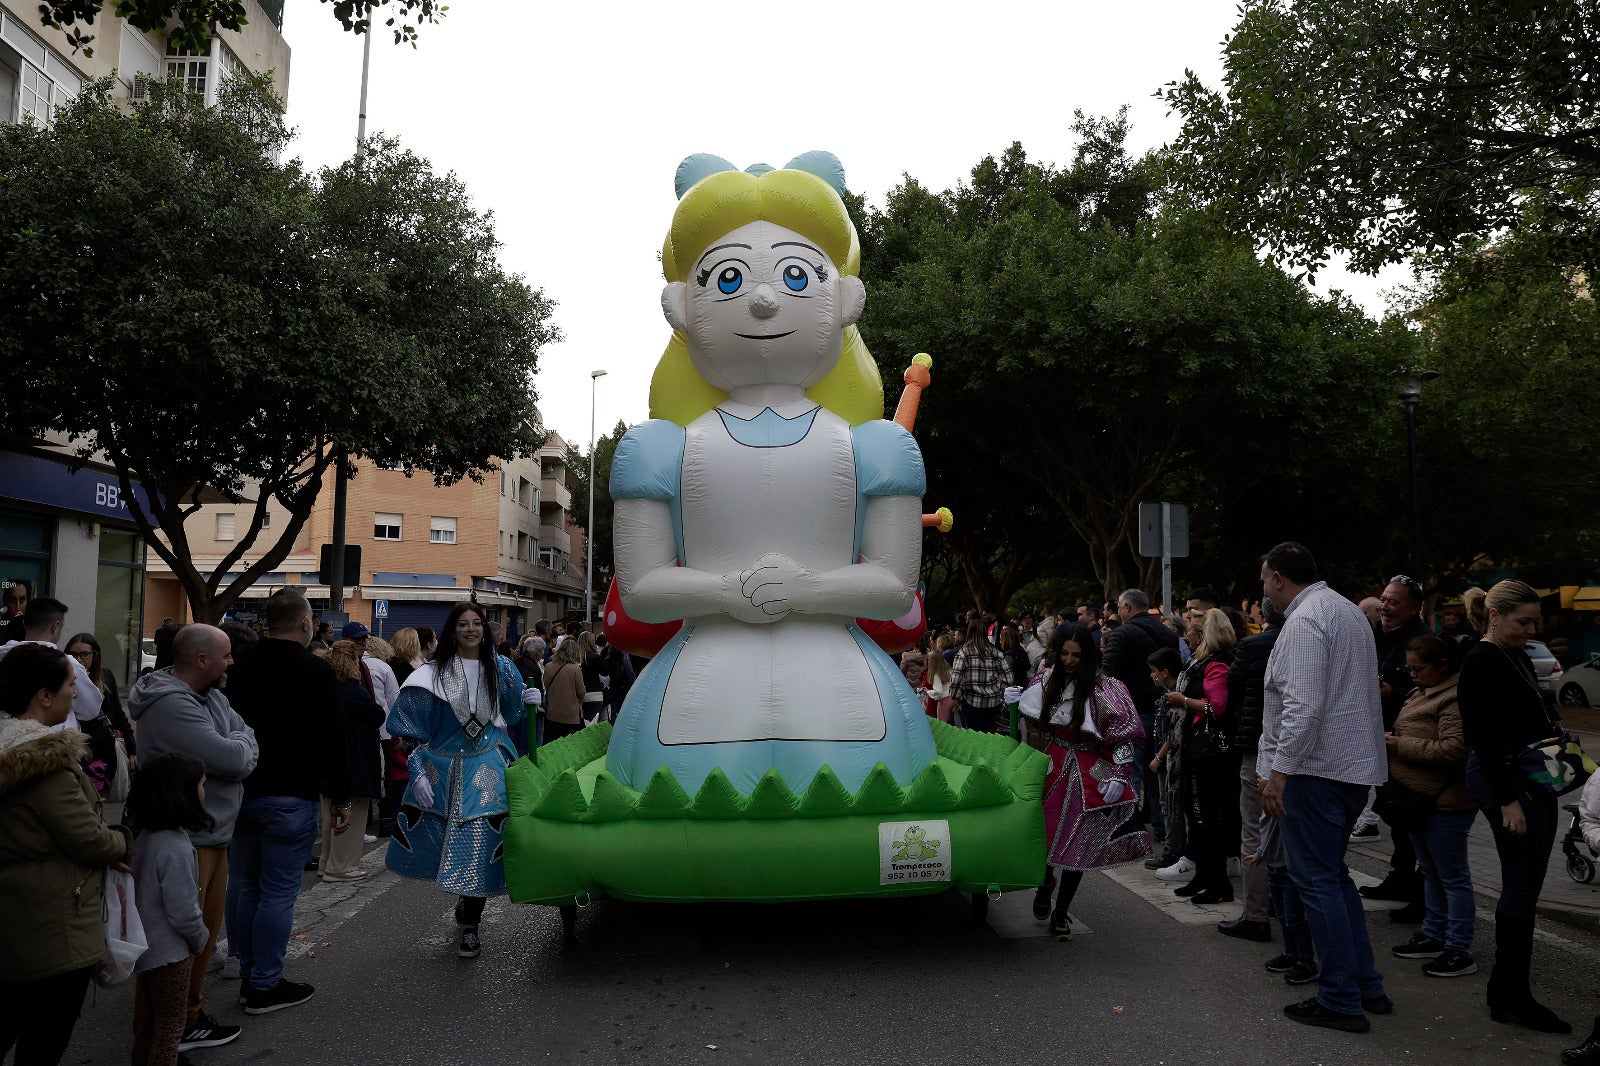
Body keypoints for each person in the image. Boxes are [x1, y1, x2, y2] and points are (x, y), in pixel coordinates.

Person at [1258, 541, 1390, 1033]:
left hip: (1319, 772)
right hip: (1344, 768)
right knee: (1332, 879)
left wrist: (1279, 772)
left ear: (1277, 579)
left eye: (1263, 579)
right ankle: (1363, 984)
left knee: (1317, 882)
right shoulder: (1342, 610)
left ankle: (1340, 997)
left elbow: (1304, 705)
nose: (1263, 589)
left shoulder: (1307, 618)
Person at [0, 643, 136, 1066]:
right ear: (44, 695)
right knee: (43, 1041)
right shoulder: (45, 761)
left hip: (16, 910)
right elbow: (88, 840)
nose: (75, 695)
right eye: (70, 686)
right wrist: (122, 840)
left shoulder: (8, 747)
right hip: (51, 922)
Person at [129, 624, 258, 1051]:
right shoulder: (170, 705)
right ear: (202, 660)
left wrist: (238, 746)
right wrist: (237, 747)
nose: (232, 661)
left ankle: (185, 1017)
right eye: (225, 655)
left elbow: (245, 740)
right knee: (179, 939)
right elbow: (233, 756)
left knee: (202, 933)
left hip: (215, 832)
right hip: (189, 834)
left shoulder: (213, 696)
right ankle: (169, 1030)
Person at [221, 589, 345, 1016]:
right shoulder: (315, 670)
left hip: (244, 789)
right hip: (293, 793)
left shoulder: (240, 664)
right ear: (306, 622)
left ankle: (249, 972)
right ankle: (264, 984)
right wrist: (340, 796)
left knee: (247, 885)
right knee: (276, 893)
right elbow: (332, 737)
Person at [1458, 581, 1571, 1033]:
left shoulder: (1512, 655)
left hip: (1529, 778)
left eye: (1534, 622)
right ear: (1495, 616)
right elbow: (1483, 739)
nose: (1530, 629)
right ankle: (1513, 996)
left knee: (1524, 883)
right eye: (1523, 621)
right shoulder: (1483, 659)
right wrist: (1508, 801)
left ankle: (1505, 992)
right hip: (1509, 782)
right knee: (1522, 886)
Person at [385, 601, 526, 959]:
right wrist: (416, 771)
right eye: (462, 624)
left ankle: (470, 926)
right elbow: (408, 731)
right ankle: (466, 903)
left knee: (481, 844)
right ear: (452, 630)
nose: (470, 629)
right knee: (443, 842)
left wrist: (525, 699)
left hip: (488, 769)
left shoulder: (503, 668)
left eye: (476, 623)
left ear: (485, 628)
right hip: (443, 770)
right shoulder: (428, 676)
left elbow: (511, 713)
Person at [1019, 624, 1150, 940]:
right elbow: (1035, 724)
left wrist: (1120, 773)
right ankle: (1045, 884)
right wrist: (1017, 705)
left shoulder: (1107, 688)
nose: (1069, 660)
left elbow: (1121, 736)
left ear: (1088, 655)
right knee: (1047, 837)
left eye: (1076, 655)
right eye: (1064, 653)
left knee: (1080, 845)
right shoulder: (1047, 679)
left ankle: (1062, 913)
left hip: (1091, 774)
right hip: (1052, 767)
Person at [1385, 634, 1477, 978]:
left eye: (1417, 668)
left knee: (1452, 876)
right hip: (1418, 799)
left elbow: (1455, 748)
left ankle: (1459, 949)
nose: (1411, 674)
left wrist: (1399, 744)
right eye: (1408, 668)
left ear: (1442, 665)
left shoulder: (1453, 698)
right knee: (1430, 871)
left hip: (1446, 800)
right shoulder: (1423, 690)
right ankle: (1434, 934)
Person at [1356, 575, 1433, 919]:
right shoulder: (1374, 635)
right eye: (1384, 600)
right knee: (1394, 813)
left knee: (1414, 817)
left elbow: (1436, 696)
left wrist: (1394, 693)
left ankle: (1422, 893)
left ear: (1414, 607)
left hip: (1412, 743)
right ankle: (1400, 877)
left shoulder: (1423, 641)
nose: (1385, 607)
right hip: (1381, 736)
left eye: (1393, 602)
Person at [128, 753, 212, 1066]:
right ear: (182, 794)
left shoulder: (148, 837)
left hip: (147, 948)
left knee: (151, 1023)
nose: (206, 792)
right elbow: (183, 912)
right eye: (202, 785)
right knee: (171, 1027)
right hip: (170, 953)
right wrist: (200, 938)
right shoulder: (176, 846)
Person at [1217, 596, 1283, 944]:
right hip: (1297, 750)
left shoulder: (1253, 647)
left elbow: (1232, 692)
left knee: (1254, 831)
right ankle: (1282, 906)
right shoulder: (1307, 642)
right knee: (1288, 833)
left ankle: (1256, 914)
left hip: (1257, 747)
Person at [1168, 607, 1238, 904]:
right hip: (1196, 748)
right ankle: (1204, 877)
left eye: (1192, 631)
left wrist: (1183, 700)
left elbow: (1217, 707)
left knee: (1205, 817)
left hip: (1207, 752)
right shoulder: (1205, 661)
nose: (1187, 636)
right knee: (1196, 815)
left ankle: (1218, 882)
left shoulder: (1216, 664)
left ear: (1204, 635)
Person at [1103, 589, 1181, 838]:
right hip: (1162, 709)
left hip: (1131, 712)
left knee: (1129, 770)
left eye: (1119, 607)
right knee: (1156, 770)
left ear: (1127, 607)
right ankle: (1160, 826)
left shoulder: (1121, 634)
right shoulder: (1169, 634)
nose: (1117, 611)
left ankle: (1128, 826)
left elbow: (1109, 674)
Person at [320, 641, 385, 882]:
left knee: (329, 812)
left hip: (331, 759)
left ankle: (327, 862)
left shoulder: (328, 688)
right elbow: (377, 714)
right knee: (353, 812)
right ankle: (342, 866)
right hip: (354, 759)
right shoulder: (354, 691)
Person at [0, 595, 103, 728]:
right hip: (51, 740)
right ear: (56, 626)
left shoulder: (4, 656)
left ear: (24, 624)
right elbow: (90, 709)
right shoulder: (66, 664)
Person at [1144, 646, 1189, 876]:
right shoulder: (1168, 695)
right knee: (1166, 802)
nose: (1151, 675)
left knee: (1170, 804)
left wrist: (1159, 756)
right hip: (1164, 758)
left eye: (1153, 671)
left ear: (1164, 672)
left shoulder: (1175, 696)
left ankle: (1173, 849)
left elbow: (1174, 732)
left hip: (1169, 760)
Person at [950, 621, 1008, 733]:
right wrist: (998, 692)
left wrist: (957, 698)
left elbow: (956, 680)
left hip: (971, 702)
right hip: (993, 702)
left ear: (969, 633)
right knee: (988, 734)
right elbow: (1008, 678)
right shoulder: (996, 652)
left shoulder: (963, 653)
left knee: (975, 735)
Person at [541, 637, 588, 744]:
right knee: (571, 745)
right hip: (571, 715)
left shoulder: (548, 666)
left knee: (553, 745)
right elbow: (581, 692)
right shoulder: (575, 669)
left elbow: (545, 685)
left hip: (552, 713)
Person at [511, 634, 546, 752]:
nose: (543, 654)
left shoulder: (517, 661)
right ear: (536, 653)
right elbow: (538, 688)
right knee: (531, 741)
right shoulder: (533, 667)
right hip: (530, 709)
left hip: (518, 707)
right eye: (542, 651)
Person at [576, 630, 607, 724]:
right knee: (592, 724)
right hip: (594, 694)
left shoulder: (575, 657)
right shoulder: (595, 657)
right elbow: (605, 672)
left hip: (578, 695)